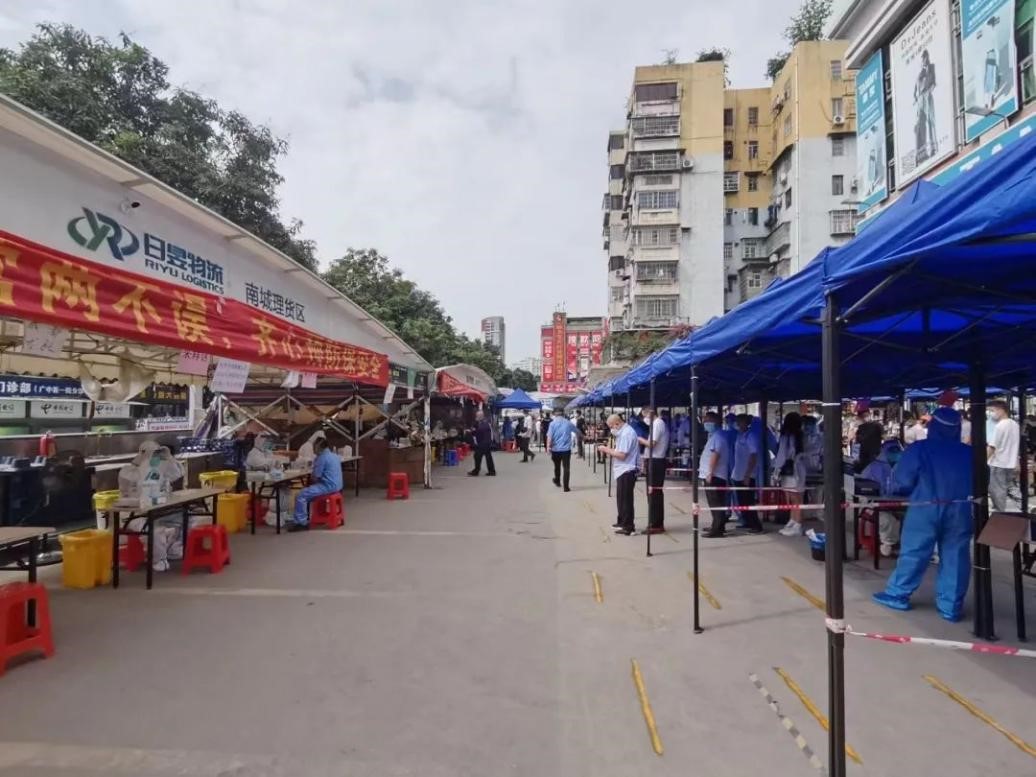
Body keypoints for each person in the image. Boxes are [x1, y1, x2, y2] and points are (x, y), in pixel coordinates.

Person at [873, 408, 973, 621]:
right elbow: (983, 481)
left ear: (933, 426)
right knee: (956, 556)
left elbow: (903, 480)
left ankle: (898, 594)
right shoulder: (969, 453)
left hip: (925, 506)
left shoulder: (919, 449)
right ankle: (951, 606)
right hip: (960, 509)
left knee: (914, 551)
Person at [118, 441, 187, 572]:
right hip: (135, 514)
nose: (155, 459)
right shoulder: (128, 471)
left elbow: (178, 473)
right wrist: (141, 465)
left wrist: (168, 457)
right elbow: (134, 490)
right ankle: (158, 560)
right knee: (155, 529)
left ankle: (173, 549)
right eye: (152, 455)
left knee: (187, 518)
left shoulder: (158, 470)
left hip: (157, 511)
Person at [855, 427, 900, 557]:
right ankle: (888, 545)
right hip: (872, 505)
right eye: (892, 451)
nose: (896, 453)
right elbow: (863, 491)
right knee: (887, 520)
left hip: (896, 503)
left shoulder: (901, 467)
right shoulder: (873, 468)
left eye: (897, 450)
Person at [288, 437, 344, 532]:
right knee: (307, 493)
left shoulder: (322, 458)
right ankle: (304, 517)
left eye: (314, 448)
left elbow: (316, 476)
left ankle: (301, 523)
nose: (313, 450)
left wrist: (313, 470)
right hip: (337, 486)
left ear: (318, 447)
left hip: (327, 486)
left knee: (301, 495)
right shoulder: (334, 456)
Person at [598, 413, 640, 535]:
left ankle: (628, 526)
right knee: (621, 498)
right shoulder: (623, 432)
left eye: (611, 426)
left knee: (626, 499)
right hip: (622, 469)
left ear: (617, 423)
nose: (611, 429)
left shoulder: (627, 433)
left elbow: (622, 455)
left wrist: (606, 450)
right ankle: (622, 521)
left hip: (627, 469)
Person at [726, 413, 764, 534]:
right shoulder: (739, 435)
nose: (737, 424)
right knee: (742, 501)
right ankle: (747, 522)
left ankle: (756, 526)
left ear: (746, 423)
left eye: (739, 421)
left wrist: (747, 474)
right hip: (738, 473)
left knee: (748, 501)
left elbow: (753, 455)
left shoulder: (751, 436)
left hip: (747, 475)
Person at [246, 432, 291, 526]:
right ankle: (273, 515)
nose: (268, 443)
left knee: (285, 487)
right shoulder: (253, 454)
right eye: (266, 441)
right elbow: (266, 463)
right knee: (278, 489)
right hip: (257, 483)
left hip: (268, 480)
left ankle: (283, 513)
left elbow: (275, 462)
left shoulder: (267, 452)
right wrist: (275, 462)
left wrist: (279, 462)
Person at [775, 412, 807, 537]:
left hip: (790, 469)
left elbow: (782, 454)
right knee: (795, 497)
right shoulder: (800, 435)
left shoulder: (787, 436)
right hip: (798, 468)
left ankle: (797, 523)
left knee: (794, 497)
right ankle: (794, 521)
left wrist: (777, 468)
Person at [638, 406, 669, 535]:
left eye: (644, 415)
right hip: (653, 460)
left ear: (650, 413)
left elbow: (652, 444)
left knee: (654, 493)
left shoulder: (657, 424)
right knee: (652, 493)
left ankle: (656, 523)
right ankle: (655, 521)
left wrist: (640, 439)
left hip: (656, 461)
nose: (644, 418)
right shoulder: (656, 424)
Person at [701, 411, 733, 538]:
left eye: (707, 421)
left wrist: (710, 472)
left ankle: (717, 529)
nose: (704, 423)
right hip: (714, 474)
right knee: (715, 503)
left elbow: (716, 455)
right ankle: (717, 525)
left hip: (715, 475)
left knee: (716, 503)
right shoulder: (715, 436)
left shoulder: (718, 437)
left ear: (714, 422)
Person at [987, 399, 1020, 512]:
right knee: (1004, 488)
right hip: (1010, 463)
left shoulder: (1000, 426)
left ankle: (1000, 514)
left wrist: (982, 462)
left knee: (997, 491)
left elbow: (992, 447)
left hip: (998, 463)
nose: (991, 414)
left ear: (1001, 410)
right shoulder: (1014, 424)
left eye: (992, 410)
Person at [546, 408, 576, 491]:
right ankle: (566, 487)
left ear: (554, 414)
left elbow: (549, 436)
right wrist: (583, 436)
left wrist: (548, 447)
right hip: (566, 450)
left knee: (557, 466)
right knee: (566, 468)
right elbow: (577, 431)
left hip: (555, 449)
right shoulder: (568, 423)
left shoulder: (552, 424)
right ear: (563, 413)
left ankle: (557, 481)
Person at [468, 410, 496, 476]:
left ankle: (476, 471)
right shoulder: (481, 422)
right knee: (487, 457)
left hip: (484, 443)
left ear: (481, 416)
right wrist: (473, 430)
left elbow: (479, 431)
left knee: (477, 456)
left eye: (477, 416)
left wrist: (473, 431)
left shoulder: (485, 423)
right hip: (484, 442)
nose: (476, 417)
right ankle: (491, 471)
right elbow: (477, 430)